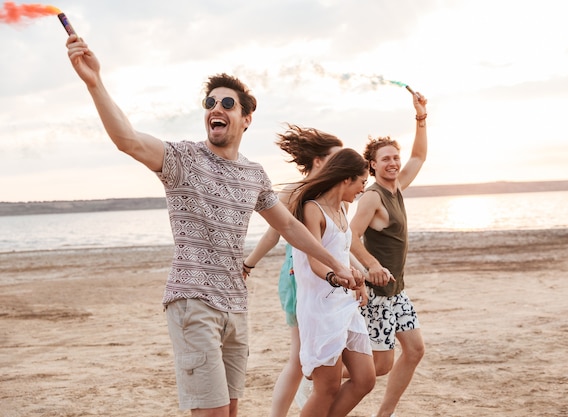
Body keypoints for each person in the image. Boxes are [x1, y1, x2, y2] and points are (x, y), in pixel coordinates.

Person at [64, 34, 358, 417]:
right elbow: (128, 140)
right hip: (193, 301)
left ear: (246, 118)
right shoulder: (182, 158)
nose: (215, 108)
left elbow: (288, 226)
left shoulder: (254, 174)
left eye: (226, 103)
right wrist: (95, 83)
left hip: (236, 305)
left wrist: (337, 263)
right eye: (210, 102)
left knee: (230, 411)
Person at [242, 125, 342, 417]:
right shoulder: (292, 192)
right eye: (336, 158)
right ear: (319, 161)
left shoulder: (336, 192)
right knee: (299, 358)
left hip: (333, 281)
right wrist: (249, 263)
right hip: (298, 278)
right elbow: (274, 234)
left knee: (328, 352)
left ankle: (315, 392)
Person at [349, 90, 428, 417]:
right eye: (386, 159)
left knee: (414, 350)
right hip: (378, 293)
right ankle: (314, 375)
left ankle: (385, 413)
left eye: (395, 157)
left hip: (397, 291)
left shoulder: (397, 186)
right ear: (373, 164)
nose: (394, 163)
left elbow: (419, 157)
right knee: (380, 365)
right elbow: (349, 236)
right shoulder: (372, 197)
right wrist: (372, 264)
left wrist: (420, 116)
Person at [291, 148, 375, 417]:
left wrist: (357, 278)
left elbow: (340, 253)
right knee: (327, 387)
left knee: (365, 379)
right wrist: (335, 276)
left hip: (345, 304)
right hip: (320, 308)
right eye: (362, 182)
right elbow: (315, 260)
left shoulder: (342, 208)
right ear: (347, 179)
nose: (363, 189)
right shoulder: (311, 209)